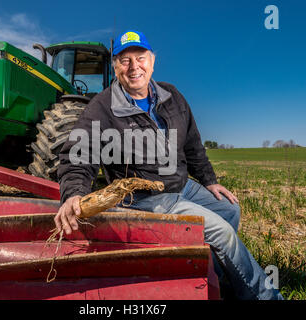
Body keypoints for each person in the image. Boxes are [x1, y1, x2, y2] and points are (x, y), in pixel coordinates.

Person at [54, 30, 284, 300]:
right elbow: (79, 153)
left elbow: (193, 144)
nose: (134, 66)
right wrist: (73, 194)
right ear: (115, 66)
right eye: (125, 60)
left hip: (181, 185)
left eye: (140, 57)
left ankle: (217, 276)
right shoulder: (103, 107)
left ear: (152, 61)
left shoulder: (171, 95)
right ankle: (264, 296)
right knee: (222, 233)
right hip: (145, 197)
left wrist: (209, 180)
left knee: (229, 209)